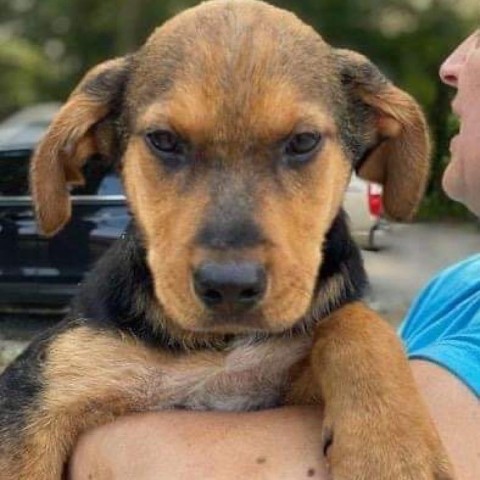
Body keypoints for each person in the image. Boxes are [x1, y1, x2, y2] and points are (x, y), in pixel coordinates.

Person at [69, 31, 480, 479]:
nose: (451, 64)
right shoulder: (454, 287)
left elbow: (168, 467)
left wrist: (92, 443)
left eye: (300, 143)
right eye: (166, 142)